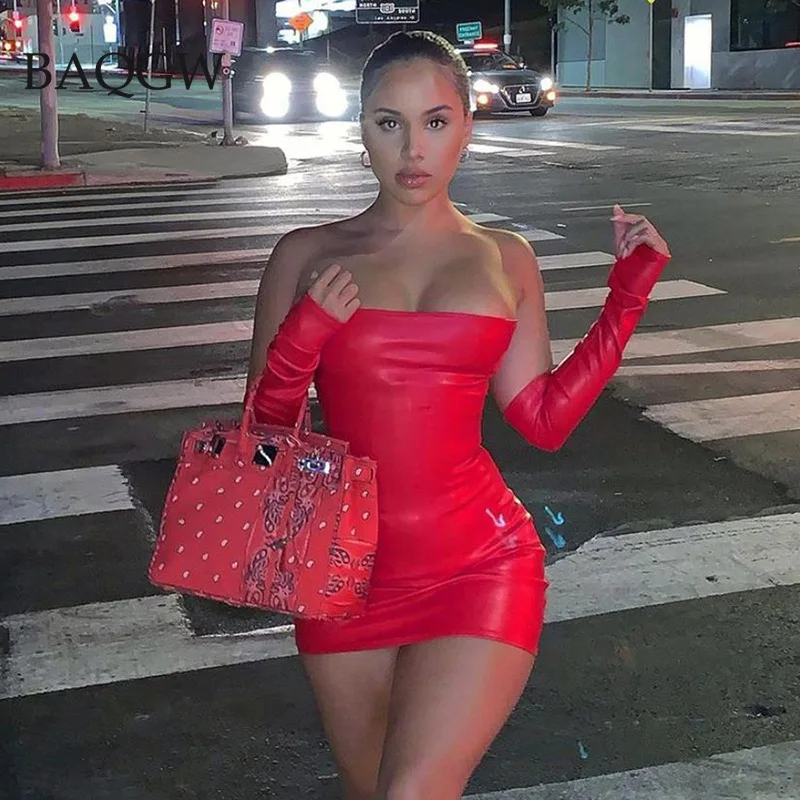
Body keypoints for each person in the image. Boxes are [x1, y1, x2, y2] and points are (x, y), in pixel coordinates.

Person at [245, 30, 671, 800]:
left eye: (435, 122)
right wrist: (302, 337)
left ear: (466, 127)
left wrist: (628, 296)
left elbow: (540, 418)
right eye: (389, 122)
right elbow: (263, 445)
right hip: (340, 573)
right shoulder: (304, 255)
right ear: (362, 128)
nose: (413, 149)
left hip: (479, 561)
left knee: (412, 791)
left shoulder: (504, 257)